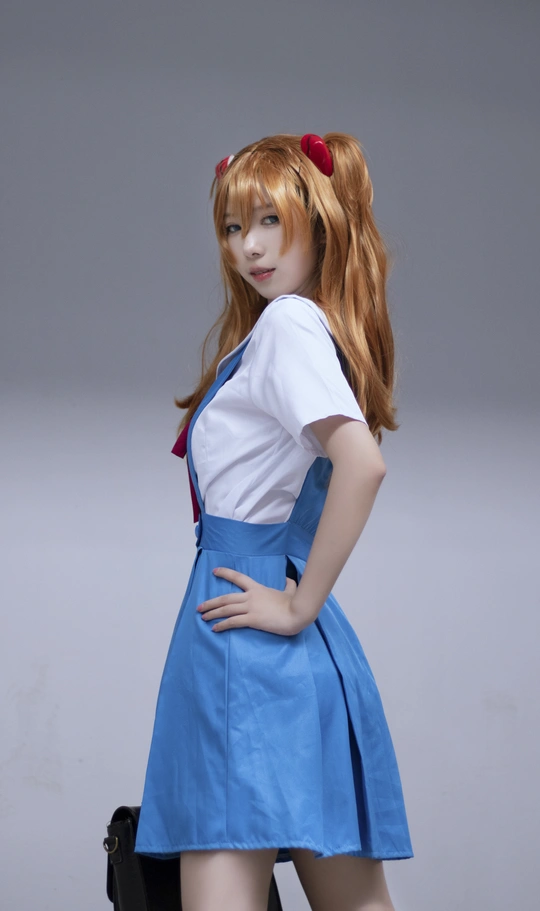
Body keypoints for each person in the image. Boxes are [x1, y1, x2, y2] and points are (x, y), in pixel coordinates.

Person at [134, 132, 414, 911]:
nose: (248, 247)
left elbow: (361, 464)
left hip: (245, 648)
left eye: (269, 221)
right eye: (233, 227)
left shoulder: (288, 323)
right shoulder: (290, 328)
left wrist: (296, 605)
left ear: (317, 224)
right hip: (279, 648)